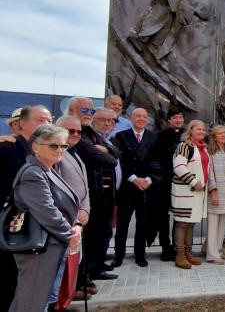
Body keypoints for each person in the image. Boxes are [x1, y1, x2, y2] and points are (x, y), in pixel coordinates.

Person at [10, 125, 81, 312]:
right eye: (53, 146)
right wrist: (69, 234)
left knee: (45, 299)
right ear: (35, 147)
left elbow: (66, 205)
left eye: (63, 146)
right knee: (31, 301)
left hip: (54, 245)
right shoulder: (33, 173)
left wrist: (77, 225)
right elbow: (46, 211)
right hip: (40, 249)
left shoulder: (48, 169)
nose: (59, 150)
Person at [0, 105, 52, 310]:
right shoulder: (7, 149)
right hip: (11, 232)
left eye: (49, 120)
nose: (47, 124)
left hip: (35, 232)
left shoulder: (43, 152)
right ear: (20, 124)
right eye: (40, 120)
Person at [67, 98, 119, 283]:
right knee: (89, 236)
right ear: (72, 110)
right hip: (88, 195)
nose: (88, 113)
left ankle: (96, 268)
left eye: (90, 110)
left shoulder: (92, 133)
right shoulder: (80, 134)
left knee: (103, 232)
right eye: (85, 110)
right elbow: (107, 159)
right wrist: (106, 152)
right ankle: (84, 274)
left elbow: (115, 154)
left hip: (104, 194)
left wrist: (105, 149)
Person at [51, 116, 91, 305]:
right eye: (70, 131)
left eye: (78, 131)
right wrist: (74, 216)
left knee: (73, 263)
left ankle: (67, 295)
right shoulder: (56, 154)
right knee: (60, 268)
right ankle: (56, 302)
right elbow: (56, 190)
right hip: (65, 220)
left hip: (78, 219)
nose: (75, 134)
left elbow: (85, 187)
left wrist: (85, 210)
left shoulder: (74, 152)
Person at [113, 108, 160, 268]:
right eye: (138, 116)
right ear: (131, 118)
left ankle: (140, 255)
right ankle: (119, 255)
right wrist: (134, 178)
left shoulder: (153, 137)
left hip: (146, 188)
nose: (141, 119)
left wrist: (148, 179)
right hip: (128, 186)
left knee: (143, 223)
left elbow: (157, 161)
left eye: (144, 116)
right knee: (123, 224)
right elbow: (120, 161)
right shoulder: (121, 136)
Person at [170, 120, 215, 269]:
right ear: (190, 131)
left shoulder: (203, 148)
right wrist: (194, 182)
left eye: (203, 129)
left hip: (198, 192)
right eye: (198, 129)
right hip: (186, 191)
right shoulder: (185, 146)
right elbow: (178, 166)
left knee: (190, 223)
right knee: (182, 223)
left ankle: (189, 253)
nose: (202, 132)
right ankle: (180, 255)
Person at [152, 106, 185, 262]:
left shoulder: (187, 136)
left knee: (179, 215)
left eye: (180, 117)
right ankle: (166, 247)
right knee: (163, 216)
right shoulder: (160, 136)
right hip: (165, 181)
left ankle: (178, 247)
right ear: (169, 120)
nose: (178, 120)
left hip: (183, 182)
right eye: (175, 118)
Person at [206, 125, 225, 265]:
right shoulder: (210, 151)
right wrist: (213, 191)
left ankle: (218, 250)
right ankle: (211, 254)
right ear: (214, 136)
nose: (223, 135)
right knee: (213, 224)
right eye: (220, 133)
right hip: (215, 193)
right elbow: (210, 174)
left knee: (223, 223)